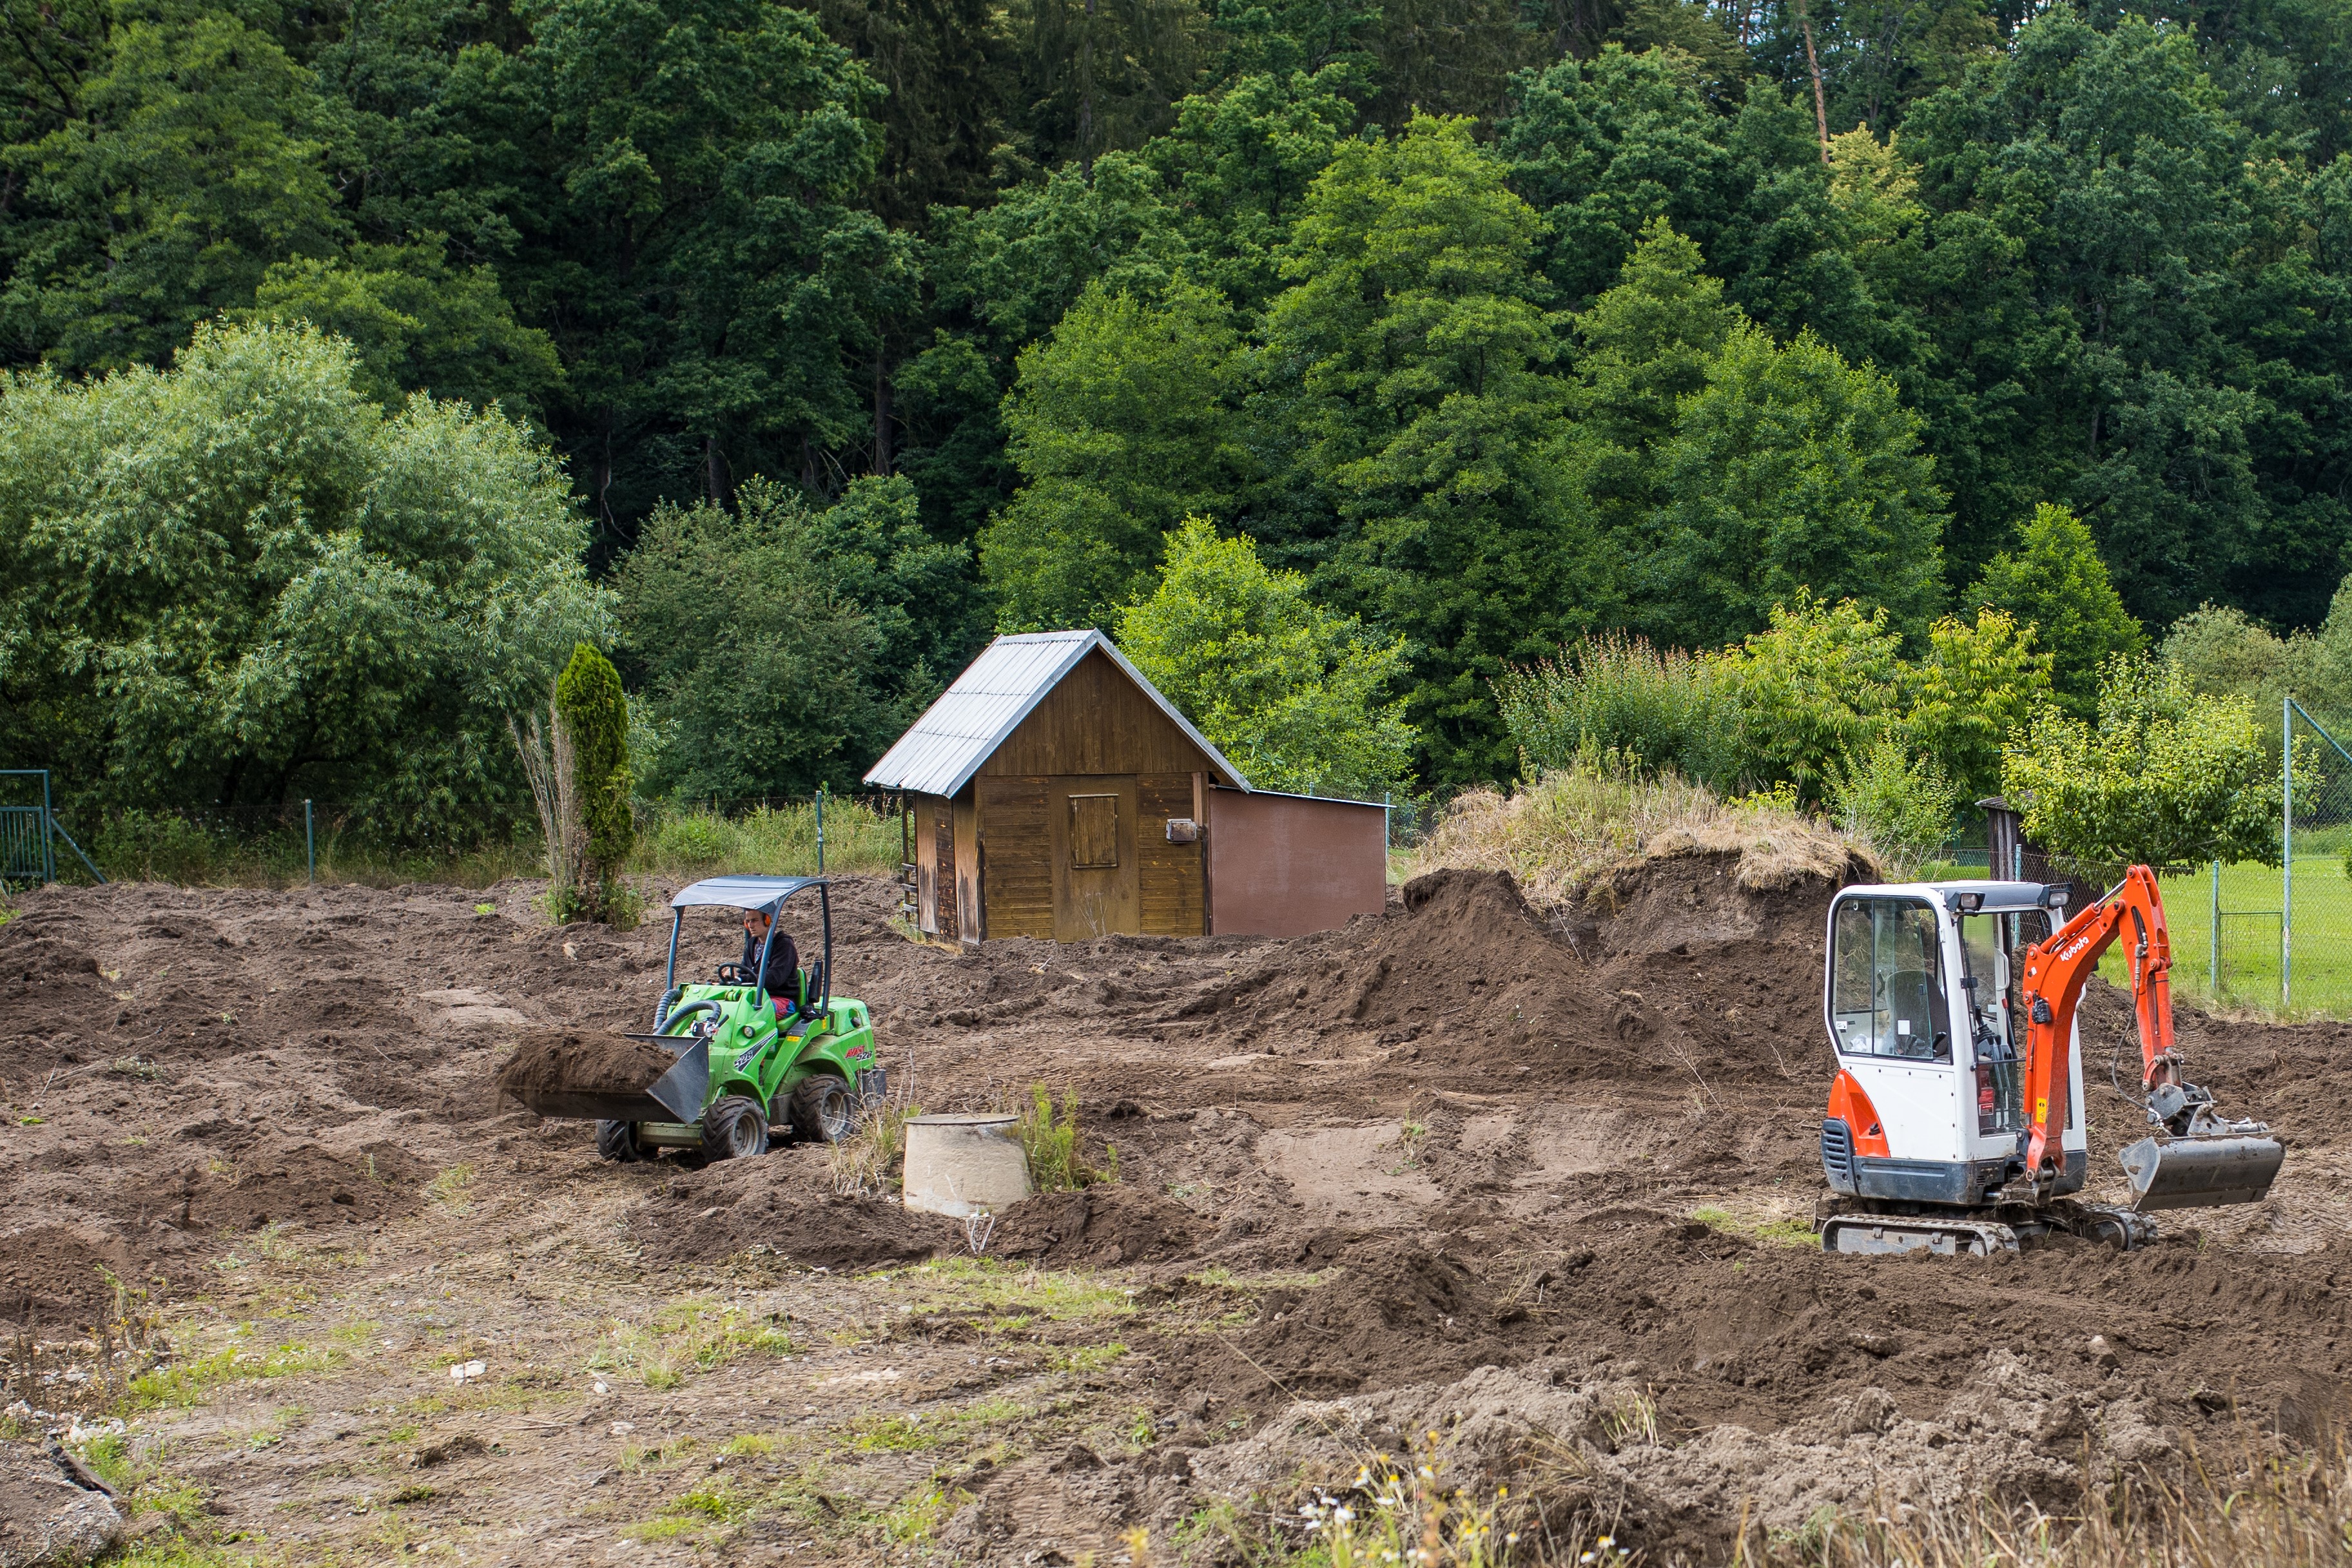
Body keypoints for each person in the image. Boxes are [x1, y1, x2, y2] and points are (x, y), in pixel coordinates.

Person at [737, 907, 802, 1011]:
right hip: (757, 996)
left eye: (754, 920)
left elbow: (773, 980)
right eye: (748, 921)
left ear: (767, 920)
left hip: (782, 999)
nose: (750, 926)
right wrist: (732, 978)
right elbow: (744, 970)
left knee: (757, 1012)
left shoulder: (784, 945)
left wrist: (741, 978)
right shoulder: (751, 944)